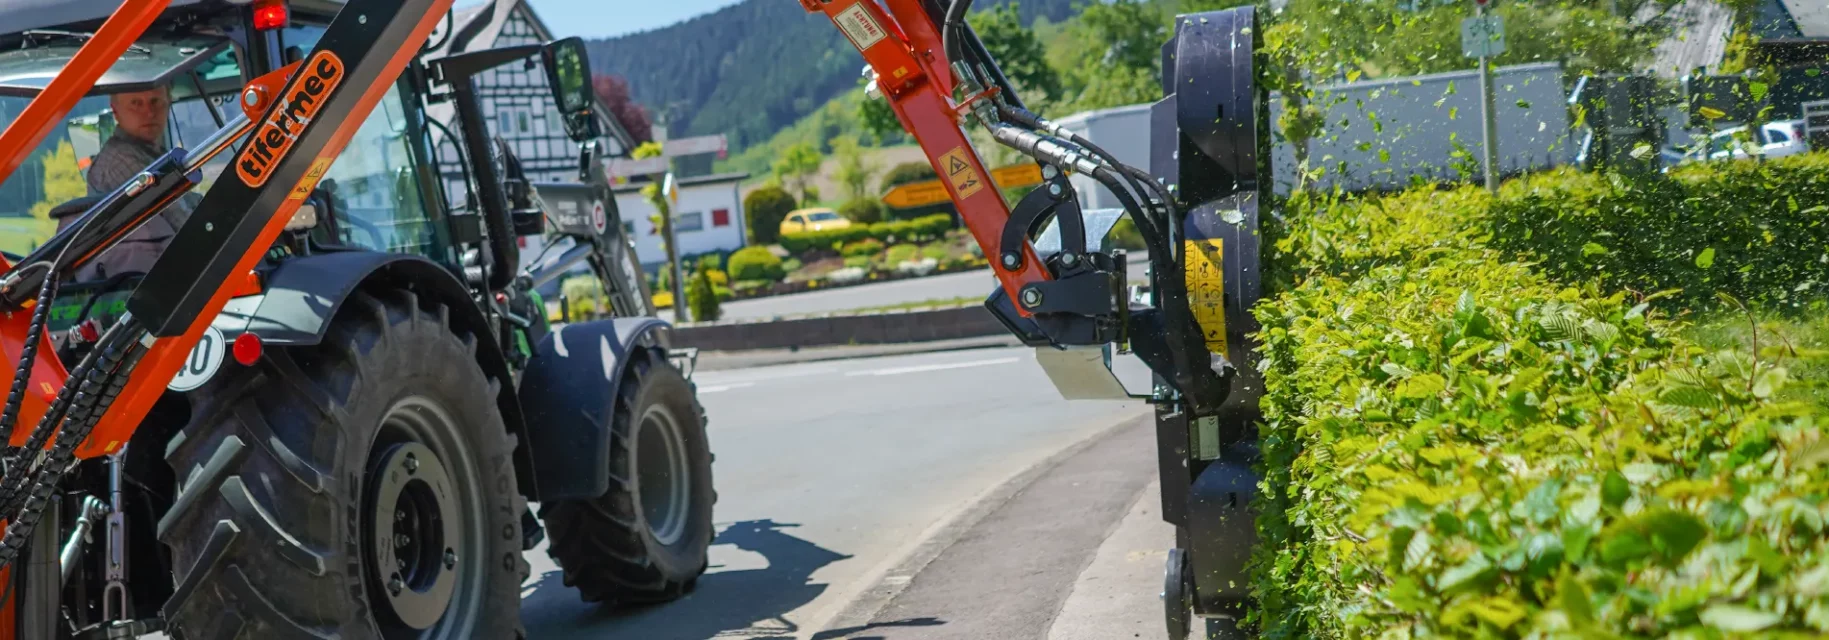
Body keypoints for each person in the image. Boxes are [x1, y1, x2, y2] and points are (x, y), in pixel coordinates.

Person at [64, 84, 197, 281]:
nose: (149, 112)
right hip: (144, 287)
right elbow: (184, 225)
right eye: (136, 103)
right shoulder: (121, 160)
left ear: (168, 102)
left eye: (155, 101)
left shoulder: (152, 155)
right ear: (115, 111)